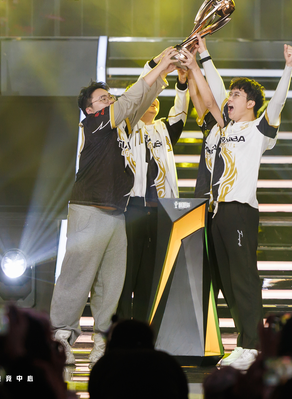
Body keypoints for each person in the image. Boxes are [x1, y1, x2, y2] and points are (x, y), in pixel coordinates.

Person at [50, 48, 177, 367]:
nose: (109, 100)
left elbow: (142, 99)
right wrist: (160, 65)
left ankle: (103, 344)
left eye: (109, 97)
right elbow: (132, 98)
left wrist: (163, 70)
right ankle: (61, 338)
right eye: (103, 98)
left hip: (116, 214)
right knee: (76, 277)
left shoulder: (121, 126)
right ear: (90, 108)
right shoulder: (93, 124)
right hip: (88, 210)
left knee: (111, 284)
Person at [179, 35, 292, 370]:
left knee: (243, 279)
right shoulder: (223, 127)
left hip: (240, 211)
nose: (229, 98)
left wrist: (288, 67)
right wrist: (201, 56)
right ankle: (243, 343)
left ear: (251, 104)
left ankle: (255, 347)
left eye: (237, 95)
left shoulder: (259, 130)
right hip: (216, 212)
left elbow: (278, 102)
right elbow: (213, 90)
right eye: (230, 94)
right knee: (228, 282)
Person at [116, 49, 189, 322]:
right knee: (126, 273)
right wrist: (157, 65)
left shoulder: (163, 130)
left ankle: (144, 331)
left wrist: (182, 83)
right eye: (149, 98)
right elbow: (139, 91)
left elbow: (180, 113)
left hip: (160, 211)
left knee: (151, 274)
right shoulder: (125, 126)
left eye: (157, 99)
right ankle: (121, 330)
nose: (153, 102)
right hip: (131, 209)